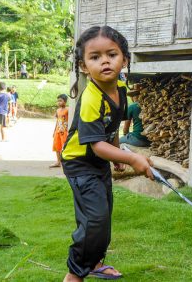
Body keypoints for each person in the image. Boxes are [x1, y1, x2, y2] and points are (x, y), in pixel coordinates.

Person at [61, 26, 153, 282]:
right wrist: (131, 157)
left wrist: (115, 154)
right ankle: (74, 274)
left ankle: (95, 262)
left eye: (111, 54)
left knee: (102, 214)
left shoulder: (121, 87)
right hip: (79, 163)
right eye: (95, 57)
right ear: (83, 65)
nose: (104, 61)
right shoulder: (91, 97)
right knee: (94, 219)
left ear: (124, 58)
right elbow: (96, 145)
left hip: (99, 159)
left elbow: (110, 127)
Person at [50, 94, 69, 168]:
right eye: (58, 101)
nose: (59, 102)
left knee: (64, 147)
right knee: (57, 146)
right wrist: (54, 131)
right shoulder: (58, 110)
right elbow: (57, 121)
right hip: (58, 131)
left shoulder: (68, 110)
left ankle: (66, 163)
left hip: (64, 131)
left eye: (60, 101)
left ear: (65, 101)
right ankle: (58, 162)